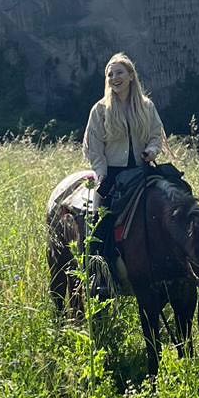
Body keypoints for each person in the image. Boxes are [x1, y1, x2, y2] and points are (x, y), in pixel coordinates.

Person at [83, 53, 165, 287]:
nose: (114, 77)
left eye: (119, 72)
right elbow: (94, 146)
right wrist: (101, 173)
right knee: (101, 220)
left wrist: (151, 151)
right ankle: (98, 274)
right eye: (110, 74)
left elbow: (155, 135)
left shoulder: (147, 106)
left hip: (141, 170)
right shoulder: (99, 109)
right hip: (113, 174)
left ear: (131, 75)